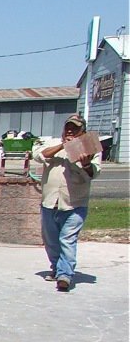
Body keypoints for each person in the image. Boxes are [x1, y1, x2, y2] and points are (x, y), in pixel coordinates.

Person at [31, 114, 101, 292]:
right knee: (51, 241)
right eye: (68, 127)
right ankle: (57, 268)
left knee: (67, 240)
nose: (70, 130)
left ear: (82, 131)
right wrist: (63, 145)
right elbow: (38, 155)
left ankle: (65, 275)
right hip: (50, 202)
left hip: (74, 204)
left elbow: (94, 173)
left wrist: (86, 164)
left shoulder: (90, 146)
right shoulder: (53, 143)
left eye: (75, 128)